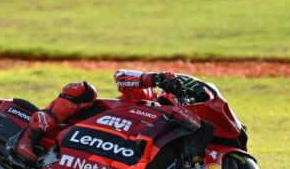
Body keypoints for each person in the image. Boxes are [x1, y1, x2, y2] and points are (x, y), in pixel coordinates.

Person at [11, 69, 206, 163]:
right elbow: (120, 76)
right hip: (79, 125)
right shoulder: (149, 96)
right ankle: (28, 137)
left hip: (98, 157)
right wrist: (153, 78)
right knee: (84, 90)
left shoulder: (167, 128)